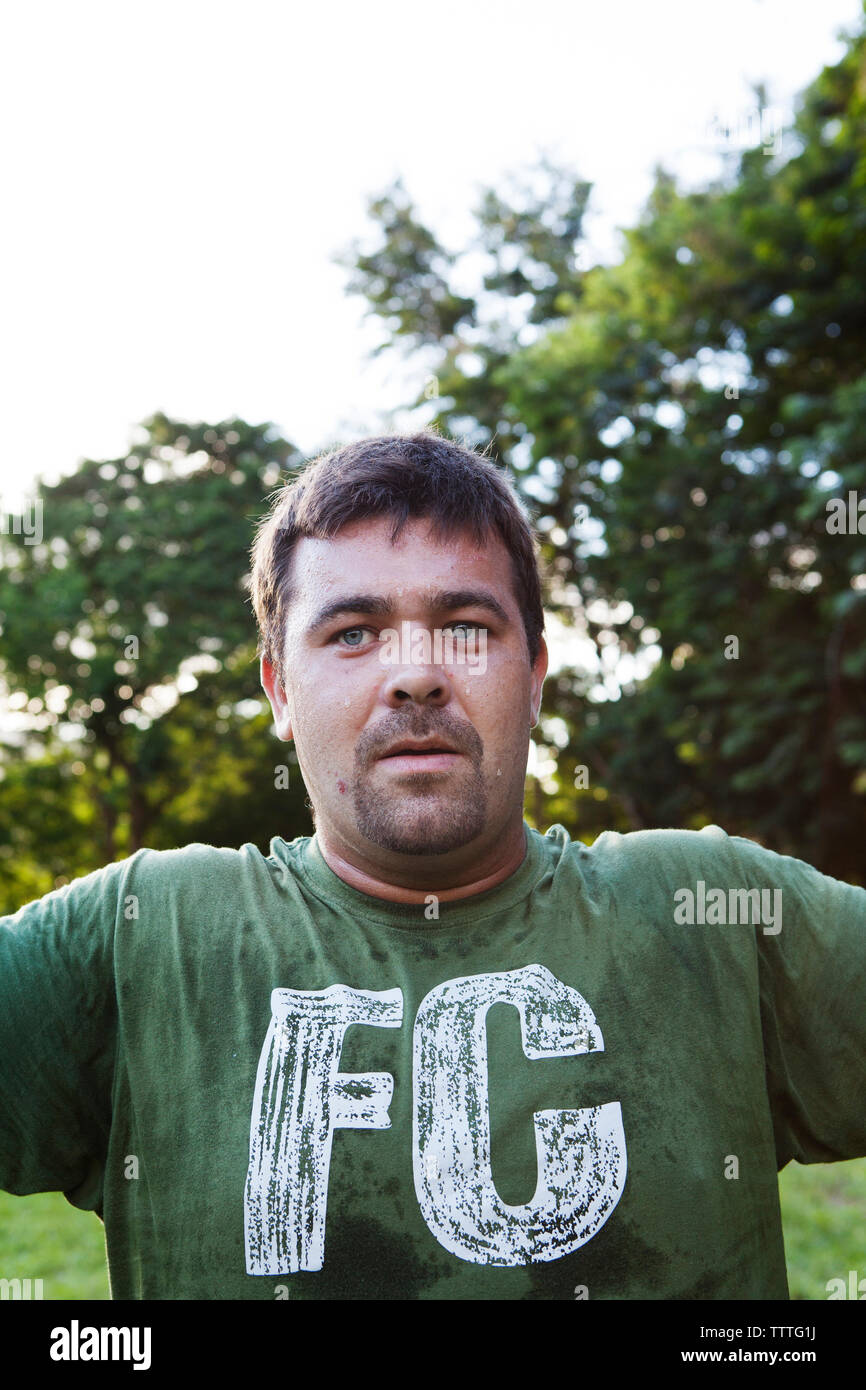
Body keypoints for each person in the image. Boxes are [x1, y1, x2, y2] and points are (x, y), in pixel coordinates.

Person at [1, 429, 864, 1301]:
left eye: (463, 626)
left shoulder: (710, 910)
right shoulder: (140, 933)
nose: (416, 674)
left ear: (533, 677)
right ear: (280, 692)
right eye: (352, 632)